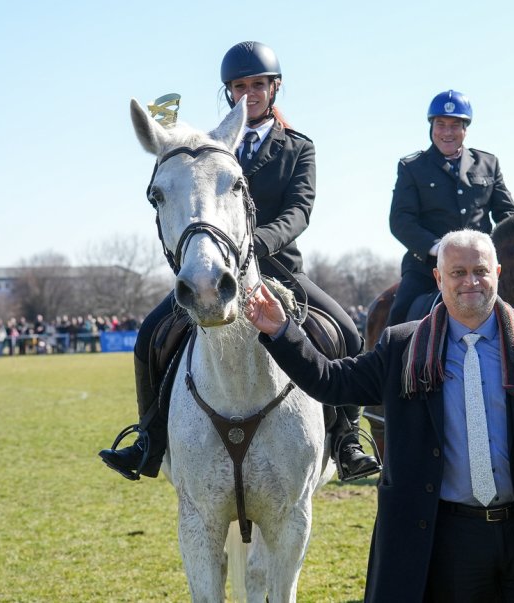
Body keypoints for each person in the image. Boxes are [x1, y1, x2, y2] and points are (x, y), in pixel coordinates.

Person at [247, 229, 514, 602]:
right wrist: (282, 331)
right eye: (458, 272)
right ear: (439, 278)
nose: (471, 281)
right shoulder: (403, 346)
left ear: (498, 273)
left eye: (480, 271)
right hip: (447, 539)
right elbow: (331, 382)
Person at [99, 40, 379, 482]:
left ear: (275, 87)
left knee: (345, 331)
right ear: (228, 92)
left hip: (278, 264)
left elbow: (299, 211)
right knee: (150, 335)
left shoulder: (298, 148)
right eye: (239, 86)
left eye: (258, 84)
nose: (249, 93)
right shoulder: (207, 146)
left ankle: (345, 440)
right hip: (215, 267)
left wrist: (258, 244)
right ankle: (149, 439)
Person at [386, 89, 514, 327]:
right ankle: (390, 364)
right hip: (427, 268)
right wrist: (439, 248)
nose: (447, 132)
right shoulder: (412, 167)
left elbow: (508, 216)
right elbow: (400, 220)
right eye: (441, 124)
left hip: (482, 267)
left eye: (455, 125)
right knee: (399, 316)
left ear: (465, 129)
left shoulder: (488, 164)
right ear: (431, 127)